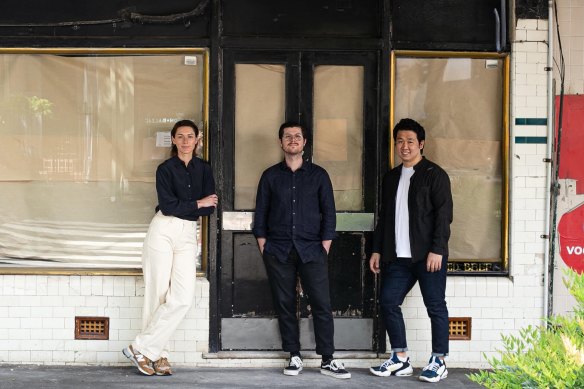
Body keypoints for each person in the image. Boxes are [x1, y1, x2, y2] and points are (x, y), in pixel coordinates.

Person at [252, 121, 351, 380]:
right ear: (281, 142)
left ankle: (328, 359)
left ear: (305, 142)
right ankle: (294, 355)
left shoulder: (319, 175)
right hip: (279, 250)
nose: (293, 140)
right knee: (285, 304)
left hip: (312, 250)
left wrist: (324, 246)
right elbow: (260, 213)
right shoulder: (270, 176)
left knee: (321, 303)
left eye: (298, 136)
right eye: (288, 136)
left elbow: (329, 214)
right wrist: (264, 245)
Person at [123, 119, 218, 376]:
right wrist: (197, 202)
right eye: (181, 136)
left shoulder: (204, 169)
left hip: (187, 233)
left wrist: (192, 205)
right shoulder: (164, 169)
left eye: (190, 136)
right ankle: (159, 355)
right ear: (174, 140)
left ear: (197, 140)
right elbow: (168, 206)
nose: (186, 141)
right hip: (163, 229)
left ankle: (140, 347)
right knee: (157, 293)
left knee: (182, 298)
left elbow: (211, 207)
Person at [369, 118, 453, 383]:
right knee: (388, 301)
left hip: (428, 256)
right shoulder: (391, 177)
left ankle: (439, 360)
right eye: (399, 141)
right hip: (398, 258)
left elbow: (444, 215)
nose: (404, 146)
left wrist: (437, 249)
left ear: (421, 144)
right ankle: (401, 358)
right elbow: (384, 218)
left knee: (435, 306)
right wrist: (377, 250)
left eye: (410, 141)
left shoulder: (434, 174)